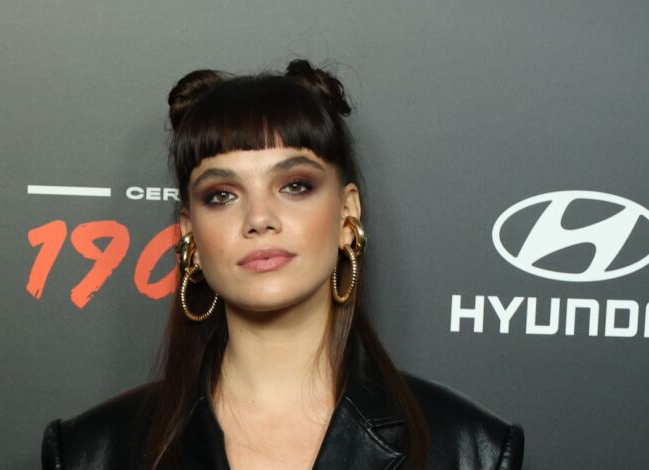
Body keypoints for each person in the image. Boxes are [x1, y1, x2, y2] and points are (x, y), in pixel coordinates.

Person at [41, 59, 524, 470]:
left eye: (295, 186)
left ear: (347, 214)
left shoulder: (469, 448)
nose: (259, 219)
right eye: (222, 195)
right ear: (190, 235)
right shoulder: (92, 450)